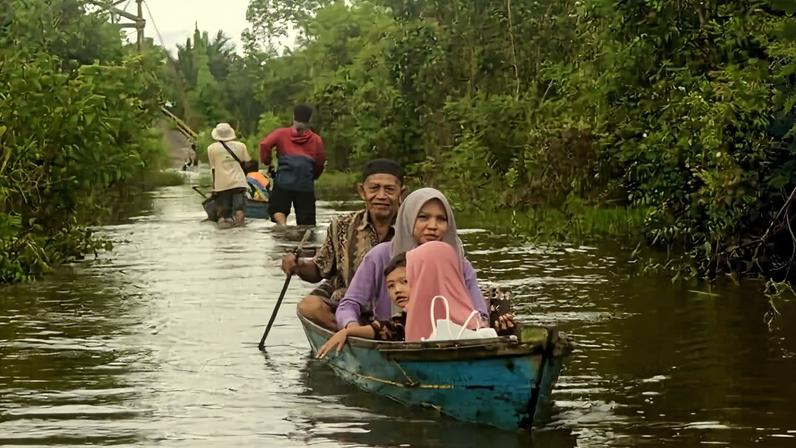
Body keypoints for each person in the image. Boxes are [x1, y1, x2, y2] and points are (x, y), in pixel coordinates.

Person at [335, 188, 491, 331]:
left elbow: (480, 314)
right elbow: (349, 304)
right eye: (423, 217)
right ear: (408, 219)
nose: (433, 226)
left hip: (449, 335)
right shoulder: (381, 256)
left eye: (441, 219)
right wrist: (353, 327)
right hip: (389, 334)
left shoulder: (459, 264)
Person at [286, 159, 406, 329]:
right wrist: (297, 265)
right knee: (309, 306)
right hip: (348, 308)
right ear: (362, 191)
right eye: (374, 188)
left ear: (401, 193)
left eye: (389, 190)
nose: (381, 196)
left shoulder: (412, 227)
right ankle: (352, 334)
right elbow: (319, 269)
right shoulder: (342, 225)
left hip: (399, 312)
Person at [316, 252, 409, 358]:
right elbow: (386, 328)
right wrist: (348, 331)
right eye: (391, 286)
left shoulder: (427, 310)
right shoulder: (403, 317)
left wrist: (348, 332)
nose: (397, 290)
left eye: (405, 282)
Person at [259, 104, 326, 226]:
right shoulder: (316, 139)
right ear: (309, 119)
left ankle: (282, 226)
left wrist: (267, 161)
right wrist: (314, 176)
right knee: (307, 222)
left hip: (284, 181)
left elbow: (265, 145)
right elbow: (320, 162)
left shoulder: (281, 134)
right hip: (305, 184)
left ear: (293, 116)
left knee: (277, 209)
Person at [207, 122, 251, 228]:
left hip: (222, 184)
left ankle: (226, 235)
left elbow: (213, 169)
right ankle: (240, 229)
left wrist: (215, 187)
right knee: (239, 208)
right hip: (239, 182)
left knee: (224, 212)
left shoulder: (211, 148)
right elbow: (248, 163)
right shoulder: (241, 146)